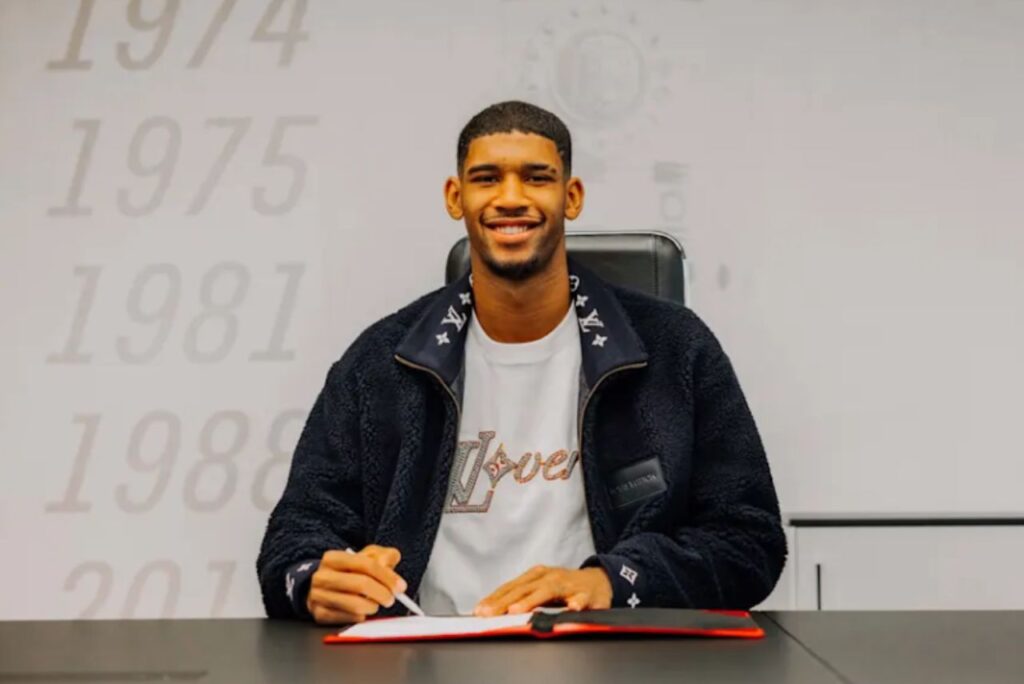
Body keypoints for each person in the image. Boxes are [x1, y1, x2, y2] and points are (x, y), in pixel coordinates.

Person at [257, 101, 786, 624]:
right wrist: (312, 580)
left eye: (536, 178)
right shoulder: (383, 361)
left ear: (571, 197)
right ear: (455, 196)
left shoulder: (676, 349)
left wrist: (611, 581)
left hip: (610, 659)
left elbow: (748, 542)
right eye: (487, 179)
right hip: (423, 658)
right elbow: (296, 535)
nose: (511, 198)